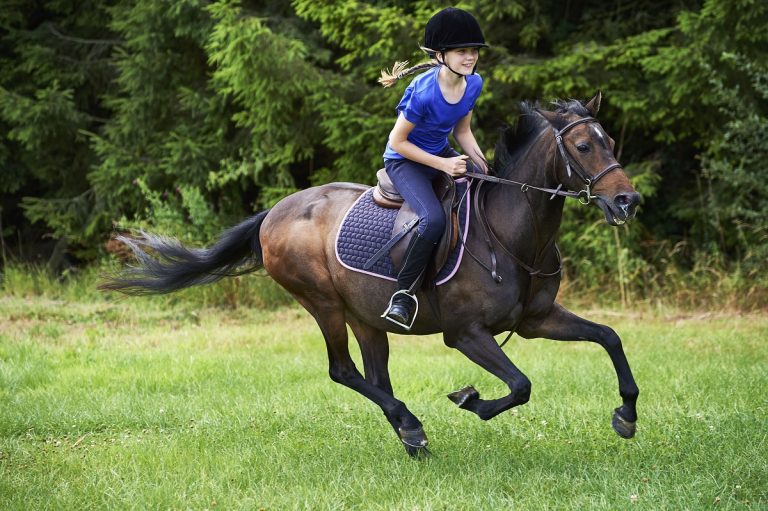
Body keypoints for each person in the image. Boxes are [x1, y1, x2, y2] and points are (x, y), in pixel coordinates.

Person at [378, 7, 489, 330]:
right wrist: (443, 164)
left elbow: (463, 132)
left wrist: (483, 167)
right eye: (462, 51)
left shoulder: (473, 83)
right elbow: (397, 141)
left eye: (473, 51)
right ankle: (403, 295)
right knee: (433, 219)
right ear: (440, 55)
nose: (470, 58)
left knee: (484, 196)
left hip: (441, 152)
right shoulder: (424, 92)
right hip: (405, 162)